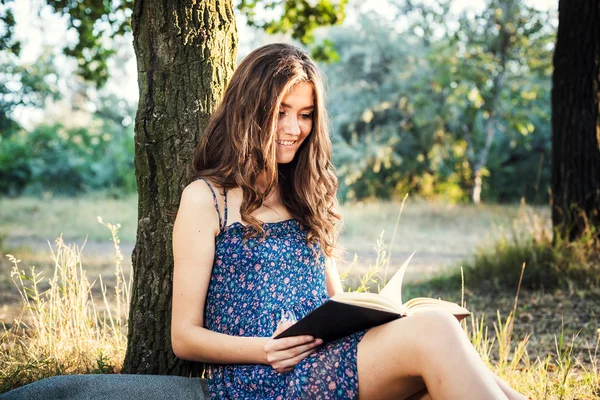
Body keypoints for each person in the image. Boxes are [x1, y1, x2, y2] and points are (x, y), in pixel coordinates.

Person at [171, 43, 529, 400]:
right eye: (281, 111)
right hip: (262, 379)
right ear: (249, 111)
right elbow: (183, 337)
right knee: (434, 331)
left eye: (306, 114)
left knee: (438, 361)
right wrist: (265, 349)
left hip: (326, 364)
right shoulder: (206, 199)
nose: (294, 128)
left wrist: (382, 319)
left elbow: (335, 305)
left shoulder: (306, 193)